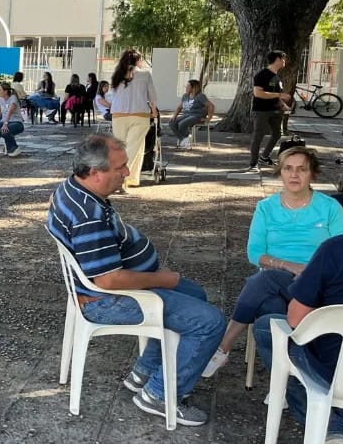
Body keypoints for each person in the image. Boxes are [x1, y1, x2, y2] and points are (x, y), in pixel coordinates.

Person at [47, 133, 225, 426]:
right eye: (120, 168)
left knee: (196, 295)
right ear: (95, 173)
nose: (128, 172)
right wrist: (163, 280)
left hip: (107, 286)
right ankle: (158, 395)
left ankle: (145, 371)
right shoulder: (89, 216)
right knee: (211, 322)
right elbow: (108, 281)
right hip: (105, 300)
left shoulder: (73, 187)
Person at [252, 156, 343, 444]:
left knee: (267, 328)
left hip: (338, 363)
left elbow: (295, 319)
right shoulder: (270, 208)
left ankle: (335, 429)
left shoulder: (337, 250)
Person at [202, 147, 343, 377]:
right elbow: (254, 253)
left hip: (317, 282)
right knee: (271, 307)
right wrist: (289, 266)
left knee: (265, 288)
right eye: (288, 169)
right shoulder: (266, 207)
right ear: (280, 172)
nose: (294, 175)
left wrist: (310, 271)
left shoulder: (329, 207)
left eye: (301, 169)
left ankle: (224, 345)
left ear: (312, 174)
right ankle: (292, 380)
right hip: (278, 279)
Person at [109, 50, 158, 191]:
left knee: (121, 147)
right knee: (133, 148)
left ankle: (125, 178)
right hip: (139, 114)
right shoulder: (145, 75)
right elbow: (152, 96)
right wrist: (154, 110)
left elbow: (114, 96)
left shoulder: (117, 75)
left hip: (118, 114)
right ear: (138, 61)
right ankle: (122, 178)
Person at [243, 50, 290, 172]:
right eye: (283, 59)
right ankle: (253, 163)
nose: (284, 61)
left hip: (275, 110)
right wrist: (279, 95)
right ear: (277, 60)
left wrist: (282, 104)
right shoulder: (262, 75)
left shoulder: (277, 77)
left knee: (277, 134)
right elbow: (258, 93)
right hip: (262, 110)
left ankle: (264, 157)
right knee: (258, 135)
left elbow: (276, 94)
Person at [169, 79, 213, 149]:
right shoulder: (185, 96)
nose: (185, 87)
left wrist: (208, 118)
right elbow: (179, 107)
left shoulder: (200, 96)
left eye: (187, 86)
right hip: (186, 115)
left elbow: (211, 106)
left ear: (193, 87)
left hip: (197, 116)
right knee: (172, 122)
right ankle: (184, 140)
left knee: (182, 124)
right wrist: (174, 116)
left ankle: (186, 140)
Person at [0, 82, 24, 157]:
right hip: (5, 121)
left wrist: (5, 124)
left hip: (16, 122)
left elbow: (9, 112)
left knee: (5, 130)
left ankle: (15, 148)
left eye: (0, 90)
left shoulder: (13, 98)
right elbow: (1, 108)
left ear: (5, 91)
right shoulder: (1, 99)